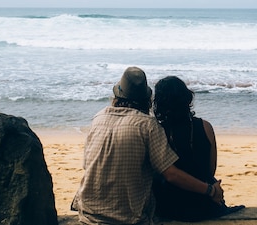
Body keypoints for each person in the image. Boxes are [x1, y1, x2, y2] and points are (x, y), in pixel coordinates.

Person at [74, 67, 224, 225]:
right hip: (127, 217)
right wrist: (211, 190)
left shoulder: (98, 118)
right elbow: (172, 174)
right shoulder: (148, 125)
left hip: (88, 212)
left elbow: (86, 164)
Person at [152, 75, 245, 221]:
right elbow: (210, 169)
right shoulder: (205, 127)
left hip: (172, 206)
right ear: (187, 98)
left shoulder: (157, 131)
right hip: (205, 203)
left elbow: (165, 175)